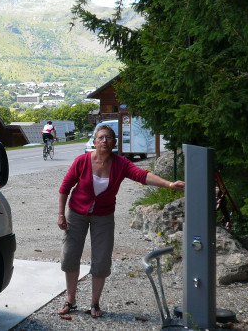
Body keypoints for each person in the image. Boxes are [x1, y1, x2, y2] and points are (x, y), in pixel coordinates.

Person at [56, 123, 185, 317]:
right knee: (70, 256)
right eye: (101, 137)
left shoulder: (120, 164)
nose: (104, 141)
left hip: (104, 215)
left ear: (114, 142)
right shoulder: (81, 161)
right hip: (76, 213)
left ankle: (95, 304)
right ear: (94, 141)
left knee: (101, 261)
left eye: (109, 138)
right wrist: (60, 214)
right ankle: (70, 300)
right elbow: (65, 187)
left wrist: (168, 184)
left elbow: (142, 175)